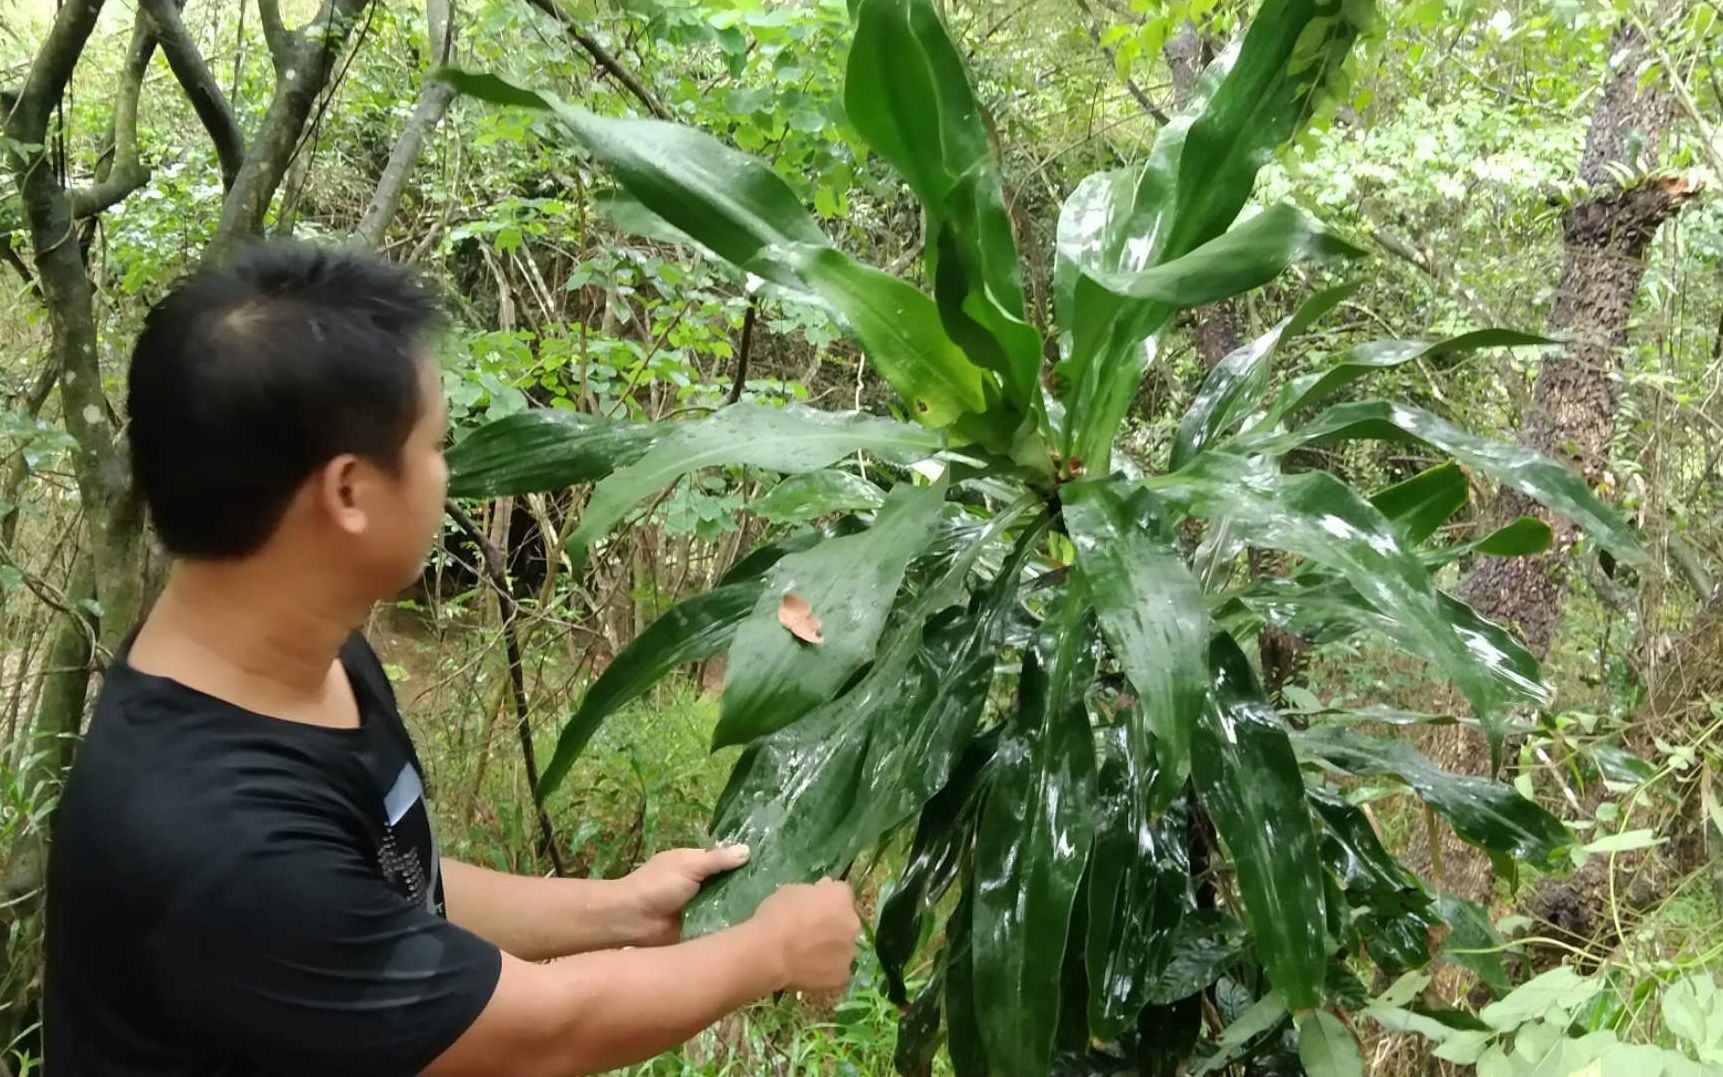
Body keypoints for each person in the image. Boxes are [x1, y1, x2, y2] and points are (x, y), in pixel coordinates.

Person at [43, 241, 859, 1075]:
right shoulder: (217, 844)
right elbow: (543, 1033)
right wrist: (771, 951)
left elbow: (385, 893)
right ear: (349, 492)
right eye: (436, 445)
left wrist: (617, 908)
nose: (448, 471)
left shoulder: (292, 656)